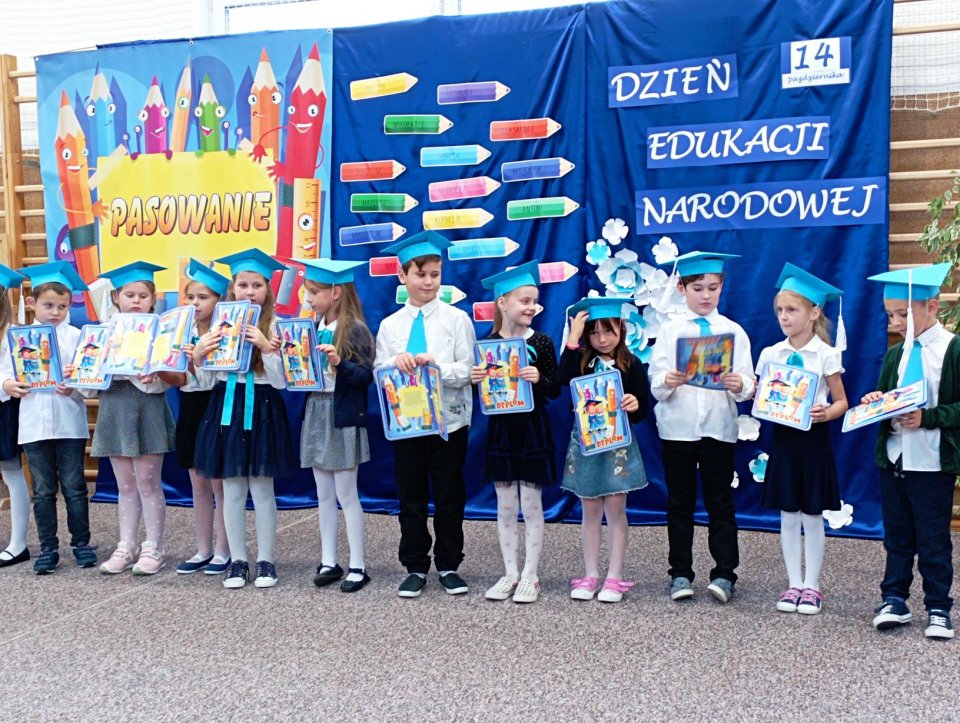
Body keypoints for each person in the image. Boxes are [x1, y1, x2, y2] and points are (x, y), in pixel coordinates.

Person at [648, 251, 756, 604]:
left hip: (719, 428)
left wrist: (739, 384)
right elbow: (655, 383)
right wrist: (668, 379)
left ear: (722, 287)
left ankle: (725, 574)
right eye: (698, 288)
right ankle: (680, 573)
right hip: (677, 429)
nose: (706, 295)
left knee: (720, 502)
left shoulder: (733, 332)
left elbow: (749, 383)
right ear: (682, 289)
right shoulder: (670, 331)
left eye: (713, 287)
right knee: (679, 503)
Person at [375, 230, 476, 598]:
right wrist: (394, 362)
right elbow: (378, 371)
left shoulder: (456, 319)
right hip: (407, 425)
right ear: (402, 276)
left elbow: (469, 369)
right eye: (421, 275)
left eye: (435, 274)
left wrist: (437, 368)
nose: (429, 282)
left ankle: (449, 564)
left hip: (449, 423)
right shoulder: (390, 325)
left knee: (449, 495)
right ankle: (415, 565)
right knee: (411, 497)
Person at [192, 249, 296, 590]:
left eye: (257, 285)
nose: (249, 292)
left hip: (263, 407)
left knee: (262, 489)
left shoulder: (276, 326)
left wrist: (267, 348)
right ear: (232, 288)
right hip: (226, 405)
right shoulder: (220, 324)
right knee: (232, 488)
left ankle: (265, 560)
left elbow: (282, 382)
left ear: (267, 289)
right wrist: (199, 355)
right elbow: (206, 381)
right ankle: (238, 560)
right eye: (243, 285)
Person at [863, 263, 956, 640]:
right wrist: (878, 403)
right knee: (897, 536)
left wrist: (928, 417)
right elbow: (891, 399)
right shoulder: (895, 354)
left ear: (931, 306)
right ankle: (894, 599)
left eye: (903, 314)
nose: (896, 323)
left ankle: (938, 606)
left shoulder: (953, 350)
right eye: (890, 315)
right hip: (895, 458)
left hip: (932, 462)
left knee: (933, 538)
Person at [755, 264, 848, 615]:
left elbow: (842, 401)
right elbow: (761, 395)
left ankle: (812, 585)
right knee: (788, 514)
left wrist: (828, 412)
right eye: (779, 310)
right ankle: (793, 583)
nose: (784, 316)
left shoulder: (826, 354)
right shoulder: (771, 354)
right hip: (783, 441)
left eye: (791, 309)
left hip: (814, 443)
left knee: (812, 514)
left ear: (813, 313)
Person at [472, 261, 560, 604]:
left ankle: (530, 575)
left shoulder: (542, 342)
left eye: (534, 301)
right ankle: (510, 572)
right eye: (524, 300)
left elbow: (555, 389)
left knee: (532, 504)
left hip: (532, 430)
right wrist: (476, 380)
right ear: (502, 302)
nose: (531, 307)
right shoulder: (489, 345)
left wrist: (540, 379)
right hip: (502, 432)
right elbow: (485, 393)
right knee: (505, 505)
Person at [558, 297, 650, 603]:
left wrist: (634, 404)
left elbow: (642, 410)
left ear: (621, 330)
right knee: (590, 510)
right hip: (587, 445)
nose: (601, 339)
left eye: (608, 331)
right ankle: (590, 574)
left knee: (615, 509)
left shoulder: (631, 365)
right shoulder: (582, 362)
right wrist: (573, 338)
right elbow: (562, 378)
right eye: (594, 332)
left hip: (617, 447)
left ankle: (614, 576)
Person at [93, 261, 180, 576]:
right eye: (129, 295)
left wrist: (154, 372)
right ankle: (126, 545)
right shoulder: (104, 331)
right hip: (115, 407)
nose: (136, 301)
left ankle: (153, 546)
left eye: (143, 296)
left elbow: (170, 376)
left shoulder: (162, 331)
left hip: (148, 406)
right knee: (125, 484)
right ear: (116, 297)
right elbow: (90, 373)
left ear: (153, 299)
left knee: (148, 481)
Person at [299, 258, 375, 593]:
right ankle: (329, 560)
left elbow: (364, 377)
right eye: (307, 292)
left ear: (335, 292)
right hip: (317, 409)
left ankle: (358, 565)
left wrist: (338, 362)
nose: (309, 298)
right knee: (323, 493)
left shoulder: (354, 329)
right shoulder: (311, 327)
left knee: (347, 493)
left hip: (342, 413)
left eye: (314, 292)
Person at [174, 260, 231, 576]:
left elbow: (214, 376)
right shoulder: (180, 330)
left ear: (219, 301)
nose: (195, 303)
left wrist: (196, 357)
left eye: (203, 297)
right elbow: (180, 377)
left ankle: (224, 550)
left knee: (219, 484)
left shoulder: (223, 333)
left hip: (215, 403)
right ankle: (203, 549)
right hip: (190, 406)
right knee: (197, 484)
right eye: (191, 297)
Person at [0, 264, 30, 569]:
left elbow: (11, 372)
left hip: (2, 407)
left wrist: (5, 384)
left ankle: (18, 543)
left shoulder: (11, 333)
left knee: (11, 472)